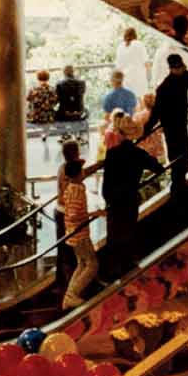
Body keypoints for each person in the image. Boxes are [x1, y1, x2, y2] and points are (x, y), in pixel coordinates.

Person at [101, 115, 163, 272]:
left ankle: (110, 267)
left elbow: (106, 182)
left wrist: (108, 198)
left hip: (114, 199)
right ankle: (126, 265)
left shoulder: (112, 153)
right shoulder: (138, 154)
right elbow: (158, 167)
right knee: (128, 231)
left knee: (113, 234)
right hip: (129, 197)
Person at [146, 54, 188, 196]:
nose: (180, 70)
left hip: (175, 122)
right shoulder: (166, 86)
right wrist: (148, 127)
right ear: (172, 69)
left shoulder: (167, 86)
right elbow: (157, 111)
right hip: (172, 123)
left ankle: (178, 186)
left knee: (180, 156)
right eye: (178, 68)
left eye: (181, 67)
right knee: (179, 156)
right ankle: (179, 186)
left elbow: (157, 111)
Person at [59, 160, 98, 308]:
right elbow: (74, 214)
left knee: (81, 264)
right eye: (82, 170)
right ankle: (72, 295)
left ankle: (69, 296)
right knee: (92, 265)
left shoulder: (70, 188)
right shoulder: (77, 190)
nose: (84, 172)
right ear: (78, 174)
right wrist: (96, 213)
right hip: (79, 233)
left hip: (73, 232)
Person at [114, 27, 149, 98]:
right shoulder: (139, 44)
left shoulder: (120, 47)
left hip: (125, 78)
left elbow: (118, 66)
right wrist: (149, 77)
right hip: (139, 77)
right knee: (141, 99)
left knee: (129, 100)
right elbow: (146, 62)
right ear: (135, 35)